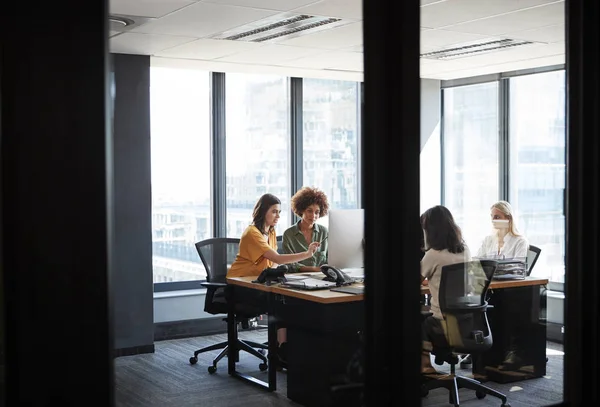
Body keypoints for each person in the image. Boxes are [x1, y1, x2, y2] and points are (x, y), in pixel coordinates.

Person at [226, 193, 320, 367]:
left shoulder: (270, 231)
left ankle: (283, 347)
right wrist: (307, 254)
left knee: (289, 299)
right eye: (274, 211)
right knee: (282, 304)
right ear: (263, 211)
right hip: (239, 287)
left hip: (258, 283)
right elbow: (276, 258)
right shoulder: (252, 233)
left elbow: (272, 265)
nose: (278, 216)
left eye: (279, 212)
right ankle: (281, 350)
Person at [420, 205, 472, 375]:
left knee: (414, 317)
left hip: (441, 324)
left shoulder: (433, 255)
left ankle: (425, 365)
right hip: (465, 321)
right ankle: (442, 354)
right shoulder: (465, 250)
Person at [281, 186, 330, 273]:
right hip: (297, 279)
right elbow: (290, 264)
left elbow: (330, 259)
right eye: (309, 211)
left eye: (317, 212)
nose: (313, 216)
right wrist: (314, 269)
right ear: (301, 210)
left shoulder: (324, 232)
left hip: (322, 278)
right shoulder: (289, 234)